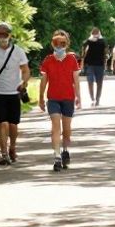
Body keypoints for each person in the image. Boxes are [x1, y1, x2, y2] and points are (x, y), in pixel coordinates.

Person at [0, 22, 30, 166]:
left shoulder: (18, 51)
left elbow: (25, 70)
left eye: (4, 34)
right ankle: (4, 154)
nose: (1, 37)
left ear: (10, 35)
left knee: (13, 124)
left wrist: (24, 82)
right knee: (2, 123)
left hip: (14, 92)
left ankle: (12, 147)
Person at [38, 29, 81, 171]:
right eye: (56, 43)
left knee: (66, 129)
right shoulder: (48, 60)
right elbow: (43, 81)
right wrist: (40, 98)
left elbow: (76, 80)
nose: (59, 46)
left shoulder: (72, 59)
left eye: (63, 43)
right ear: (52, 44)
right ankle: (57, 156)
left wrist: (78, 97)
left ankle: (65, 150)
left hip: (68, 98)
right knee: (55, 126)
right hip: (53, 98)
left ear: (67, 44)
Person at [80, 27, 108, 106]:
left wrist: (83, 59)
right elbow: (105, 53)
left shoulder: (88, 41)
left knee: (90, 82)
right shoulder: (102, 41)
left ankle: (93, 99)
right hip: (98, 64)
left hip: (90, 64)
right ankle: (96, 99)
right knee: (99, 83)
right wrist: (105, 63)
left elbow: (83, 51)